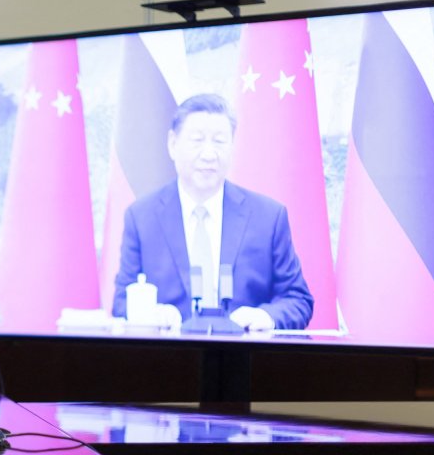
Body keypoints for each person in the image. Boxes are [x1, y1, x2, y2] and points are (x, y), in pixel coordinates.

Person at [112, 94, 313, 331]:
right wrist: (150, 313)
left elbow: (298, 299)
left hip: (244, 358)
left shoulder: (268, 217)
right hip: (170, 359)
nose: (209, 154)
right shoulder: (142, 217)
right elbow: (121, 303)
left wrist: (265, 317)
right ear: (172, 144)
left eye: (219, 141)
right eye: (197, 140)